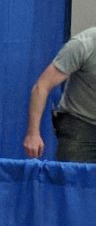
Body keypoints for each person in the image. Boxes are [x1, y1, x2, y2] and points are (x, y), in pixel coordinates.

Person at [23, 25, 96, 162]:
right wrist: (33, 133)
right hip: (80, 123)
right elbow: (42, 87)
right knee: (72, 179)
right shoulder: (83, 45)